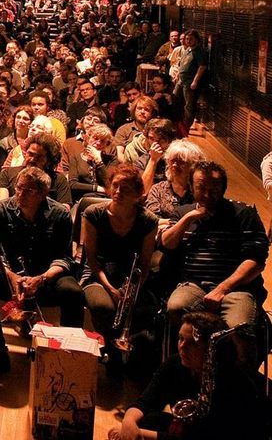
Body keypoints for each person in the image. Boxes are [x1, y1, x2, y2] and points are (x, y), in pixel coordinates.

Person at [0, 168, 83, 379]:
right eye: (18, 188)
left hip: (46, 277)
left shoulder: (59, 214)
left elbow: (65, 257)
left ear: (44, 193)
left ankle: (68, 355)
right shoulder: (0, 210)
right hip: (9, 275)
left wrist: (42, 278)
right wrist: (11, 276)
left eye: (29, 190)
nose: (20, 194)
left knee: (73, 292)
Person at [108, 310, 269, 440]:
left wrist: (137, 434)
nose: (182, 347)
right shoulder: (175, 363)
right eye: (180, 339)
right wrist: (128, 422)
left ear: (211, 350)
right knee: (146, 419)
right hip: (193, 430)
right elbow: (146, 401)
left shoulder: (233, 381)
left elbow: (203, 436)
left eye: (191, 343)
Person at [161, 161, 268, 330]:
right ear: (191, 186)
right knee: (176, 307)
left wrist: (222, 289)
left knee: (238, 327)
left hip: (237, 288)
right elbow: (168, 243)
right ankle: (187, 355)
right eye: (201, 188)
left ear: (223, 189)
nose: (207, 195)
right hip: (194, 285)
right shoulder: (182, 213)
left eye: (214, 190)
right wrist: (190, 218)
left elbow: (256, 261)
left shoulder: (244, 214)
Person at [80, 163, 158, 360]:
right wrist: (111, 289)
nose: (118, 191)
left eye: (126, 188)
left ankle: (125, 356)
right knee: (104, 307)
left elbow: (145, 264)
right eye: (115, 185)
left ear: (138, 193)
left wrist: (132, 290)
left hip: (128, 278)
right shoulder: (93, 213)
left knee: (146, 310)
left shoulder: (149, 220)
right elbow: (91, 259)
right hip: (98, 276)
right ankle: (112, 352)